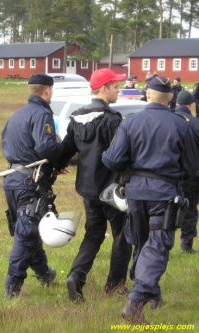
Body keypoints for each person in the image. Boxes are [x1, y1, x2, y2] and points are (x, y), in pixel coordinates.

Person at [102, 76, 199, 323]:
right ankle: (136, 301)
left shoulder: (131, 121)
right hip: (164, 193)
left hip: (135, 193)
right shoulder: (181, 124)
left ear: (147, 95)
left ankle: (152, 295)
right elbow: (191, 165)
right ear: (170, 99)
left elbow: (112, 160)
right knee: (156, 244)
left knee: (143, 242)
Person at [58, 68, 132, 302]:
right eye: (115, 86)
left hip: (88, 189)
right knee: (122, 235)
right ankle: (115, 285)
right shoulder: (112, 119)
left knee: (94, 234)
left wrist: (56, 164)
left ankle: (76, 276)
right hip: (113, 190)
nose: (118, 90)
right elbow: (121, 155)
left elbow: (67, 150)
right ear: (103, 89)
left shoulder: (77, 116)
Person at [1, 73, 64, 298]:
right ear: (47, 90)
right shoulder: (43, 113)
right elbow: (47, 148)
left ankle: (45, 274)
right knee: (26, 234)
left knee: (31, 230)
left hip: (12, 181)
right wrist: (61, 155)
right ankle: (12, 289)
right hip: (30, 183)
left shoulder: (16, 115)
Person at [175, 90, 199, 253]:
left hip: (167, 174)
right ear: (191, 105)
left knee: (163, 208)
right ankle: (186, 245)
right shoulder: (196, 123)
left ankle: (160, 243)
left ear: (176, 104)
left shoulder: (168, 121)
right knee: (189, 208)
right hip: (191, 174)